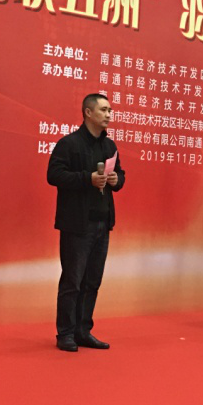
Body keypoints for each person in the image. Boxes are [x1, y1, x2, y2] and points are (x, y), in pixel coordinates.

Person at [46, 92, 124, 352]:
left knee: (92, 282)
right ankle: (65, 333)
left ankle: (83, 330)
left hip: (103, 223)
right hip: (77, 224)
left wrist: (117, 180)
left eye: (110, 110)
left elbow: (121, 175)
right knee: (73, 281)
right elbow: (54, 175)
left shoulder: (109, 146)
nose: (109, 114)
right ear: (88, 113)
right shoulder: (69, 143)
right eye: (103, 110)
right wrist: (86, 178)